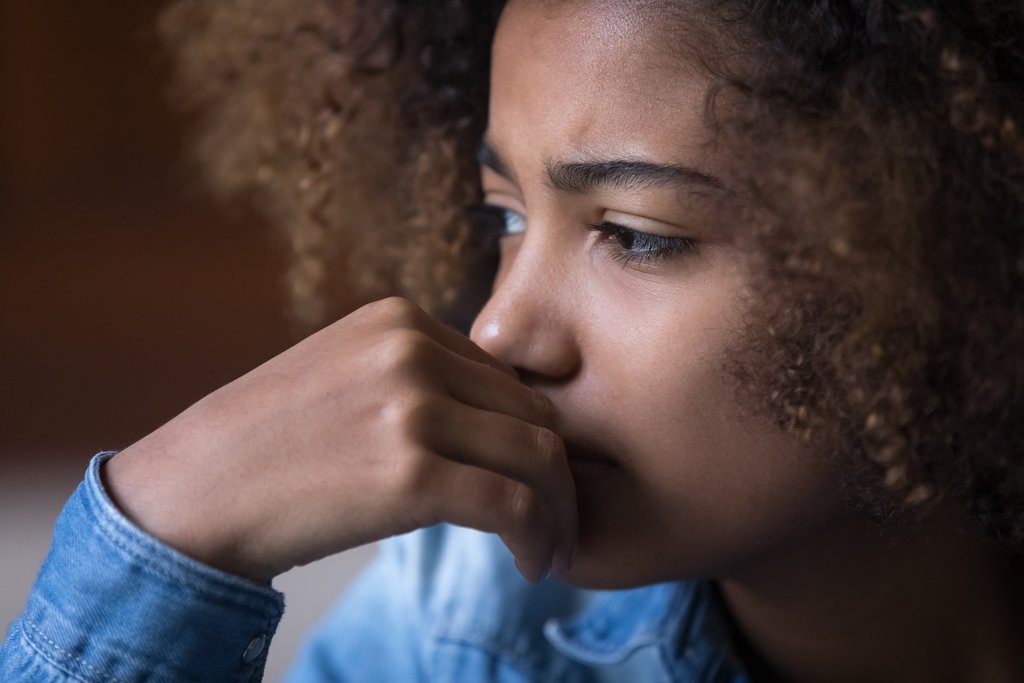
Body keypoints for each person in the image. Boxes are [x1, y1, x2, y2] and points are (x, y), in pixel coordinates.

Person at [3, 0, 1023, 681]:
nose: (497, 328)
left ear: (945, 244)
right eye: (504, 217)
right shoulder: (468, 625)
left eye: (635, 234)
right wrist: (167, 522)